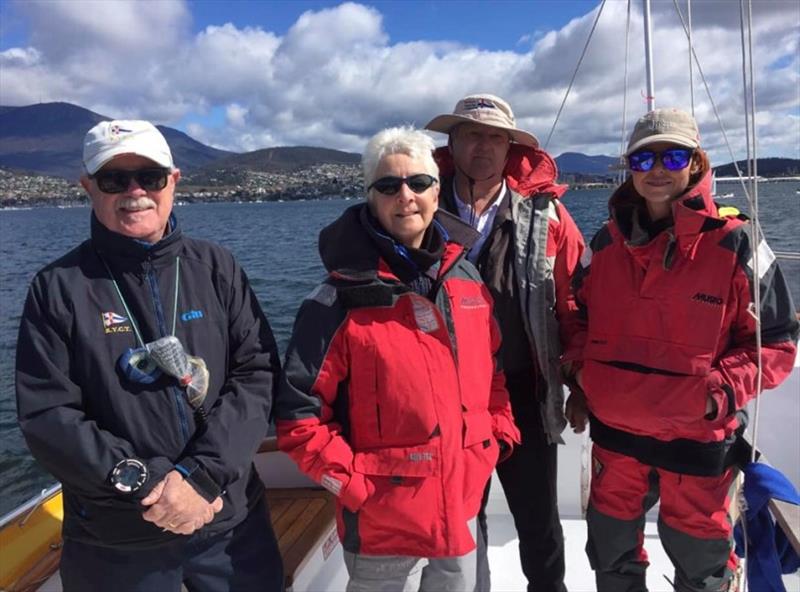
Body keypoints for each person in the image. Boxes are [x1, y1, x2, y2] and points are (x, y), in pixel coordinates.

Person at [16, 120, 284, 591]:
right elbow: (47, 414)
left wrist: (202, 477)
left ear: (174, 182)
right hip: (116, 538)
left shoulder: (217, 267)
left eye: (150, 177)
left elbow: (256, 375)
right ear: (88, 188)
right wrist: (148, 484)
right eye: (114, 179)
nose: (134, 191)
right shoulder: (57, 288)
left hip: (227, 520)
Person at [562, 108, 799, 591]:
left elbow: (775, 342)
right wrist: (584, 379)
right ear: (629, 167)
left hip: (697, 442)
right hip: (616, 438)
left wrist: (715, 394)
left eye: (673, 156)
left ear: (695, 163)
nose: (657, 169)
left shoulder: (737, 243)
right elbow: (577, 318)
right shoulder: (605, 243)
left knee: (702, 568)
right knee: (610, 556)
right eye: (643, 158)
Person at [275, 126, 520, 592]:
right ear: (371, 196)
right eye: (388, 185)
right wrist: (355, 488)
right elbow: (298, 419)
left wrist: (493, 443)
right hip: (380, 520)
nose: (405, 196)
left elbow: (494, 376)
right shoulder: (335, 301)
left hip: (460, 499)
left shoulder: (466, 279)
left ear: (436, 190)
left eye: (419, 183)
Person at [425, 94, 585, 592]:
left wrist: (580, 382)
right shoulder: (417, 206)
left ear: (511, 148)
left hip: (525, 395)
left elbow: (575, 307)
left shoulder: (551, 217)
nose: (484, 146)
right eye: (472, 134)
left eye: (496, 136)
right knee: (460, 525)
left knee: (539, 524)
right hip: (442, 400)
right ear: (452, 142)